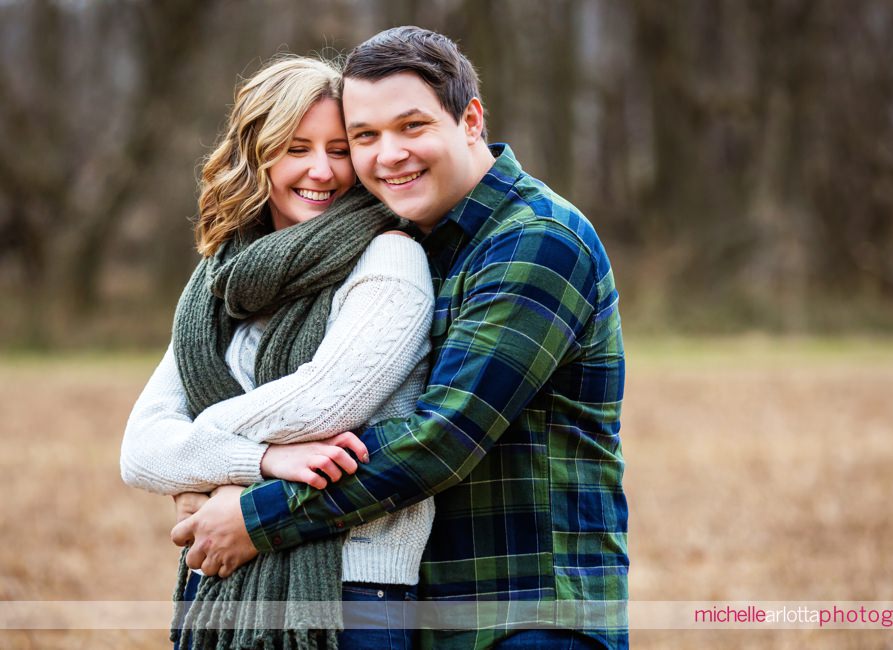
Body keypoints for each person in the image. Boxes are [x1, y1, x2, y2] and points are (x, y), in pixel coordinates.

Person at [173, 26, 628, 648]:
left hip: (526, 613)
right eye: (366, 136)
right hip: (426, 608)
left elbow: (439, 438)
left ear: (470, 120)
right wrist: (209, 474)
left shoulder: (536, 241)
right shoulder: (404, 241)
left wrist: (253, 513)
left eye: (412, 126)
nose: (388, 154)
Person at [120, 54, 435, 650]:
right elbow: (139, 451)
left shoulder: (391, 261)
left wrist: (207, 461)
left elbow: (322, 404)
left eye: (340, 149)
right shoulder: (218, 287)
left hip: (353, 597)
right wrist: (262, 462)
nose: (322, 170)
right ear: (256, 156)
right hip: (219, 581)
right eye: (296, 147)